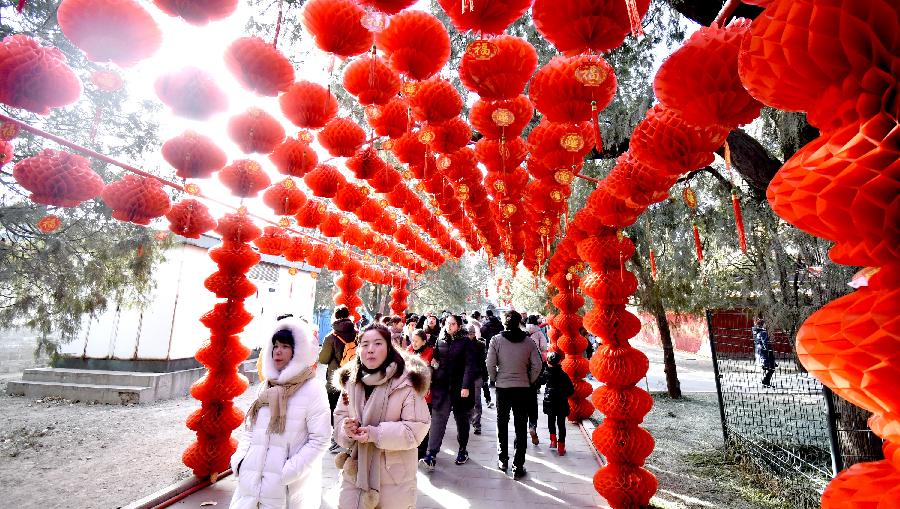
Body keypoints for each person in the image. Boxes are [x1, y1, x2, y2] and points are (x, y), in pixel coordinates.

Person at [230, 318, 331, 509]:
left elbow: (320, 439)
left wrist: (288, 472)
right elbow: (249, 429)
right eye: (275, 346)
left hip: (286, 489)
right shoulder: (265, 386)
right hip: (250, 485)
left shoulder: (312, 389)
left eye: (285, 346)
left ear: (298, 351)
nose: (278, 351)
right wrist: (241, 461)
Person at [331, 323, 431, 509]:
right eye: (365, 344)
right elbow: (339, 418)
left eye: (377, 343)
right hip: (355, 471)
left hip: (393, 477)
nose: (370, 349)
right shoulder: (351, 382)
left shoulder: (406, 383)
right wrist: (346, 430)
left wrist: (374, 434)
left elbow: (415, 430)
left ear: (389, 348)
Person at [487, 310, 542, 479]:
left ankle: (502, 460)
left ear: (505, 323)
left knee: (502, 423)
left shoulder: (496, 340)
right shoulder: (529, 342)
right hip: (522, 388)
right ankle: (518, 466)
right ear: (519, 322)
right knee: (520, 425)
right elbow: (537, 365)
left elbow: (490, 363)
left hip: (503, 388)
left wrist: (495, 378)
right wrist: (529, 379)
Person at [420, 314, 478, 471]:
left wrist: (466, 386)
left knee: (462, 421)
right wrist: (434, 369)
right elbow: (436, 361)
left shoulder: (465, 342)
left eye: (452, 324)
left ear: (458, 326)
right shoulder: (440, 340)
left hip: (460, 388)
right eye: (447, 323)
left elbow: (470, 366)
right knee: (438, 419)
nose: (449, 326)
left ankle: (462, 450)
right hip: (442, 387)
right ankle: (431, 454)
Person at [318, 305, 358, 452]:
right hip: (354, 378)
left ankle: (337, 438)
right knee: (350, 408)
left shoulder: (331, 337)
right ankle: (350, 437)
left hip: (335, 380)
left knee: (335, 409)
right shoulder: (358, 334)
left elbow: (323, 359)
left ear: (335, 316)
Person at [407, 329, 434, 459]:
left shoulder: (431, 352)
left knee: (424, 422)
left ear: (424, 341)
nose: (414, 343)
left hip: (426, 394)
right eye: (412, 340)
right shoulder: (409, 351)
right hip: (411, 393)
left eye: (416, 341)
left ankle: (422, 450)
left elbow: (434, 372)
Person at [542, 352, 575, 456]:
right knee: (561, 424)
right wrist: (564, 394)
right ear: (560, 362)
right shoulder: (564, 375)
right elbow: (571, 390)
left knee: (551, 421)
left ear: (548, 362)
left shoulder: (546, 373)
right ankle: (561, 447)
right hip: (561, 403)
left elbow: (540, 382)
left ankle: (553, 441)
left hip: (550, 402)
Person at [525, 315, 548, 443]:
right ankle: (532, 426)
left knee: (520, 407)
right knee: (533, 404)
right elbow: (544, 347)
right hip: (535, 367)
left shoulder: (523, 332)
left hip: (521, 373)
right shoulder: (539, 332)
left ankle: (519, 434)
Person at [753, 317, 777, 386]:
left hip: (762, 353)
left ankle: (766, 381)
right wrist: (768, 349)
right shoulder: (763, 332)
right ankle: (766, 381)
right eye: (765, 324)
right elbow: (765, 343)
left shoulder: (757, 333)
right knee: (771, 368)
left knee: (770, 368)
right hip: (766, 353)